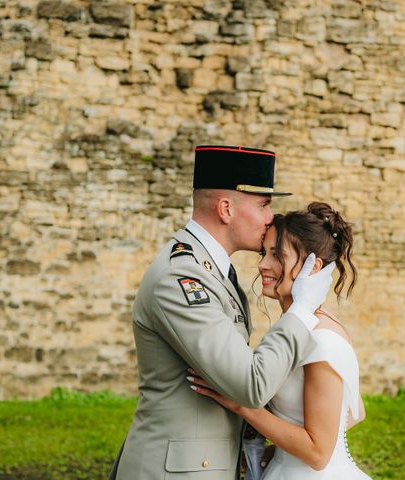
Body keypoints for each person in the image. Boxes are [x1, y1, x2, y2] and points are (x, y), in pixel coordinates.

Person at [110, 145, 336, 480]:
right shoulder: (181, 277)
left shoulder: (212, 270)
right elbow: (249, 385)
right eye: (264, 204)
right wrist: (301, 310)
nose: (270, 217)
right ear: (226, 209)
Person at [188, 202, 371, 479]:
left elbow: (319, 454)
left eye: (277, 255)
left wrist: (242, 405)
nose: (262, 264)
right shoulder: (299, 328)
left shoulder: (323, 339)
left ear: (313, 266)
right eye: (264, 253)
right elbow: (355, 411)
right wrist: (286, 450)